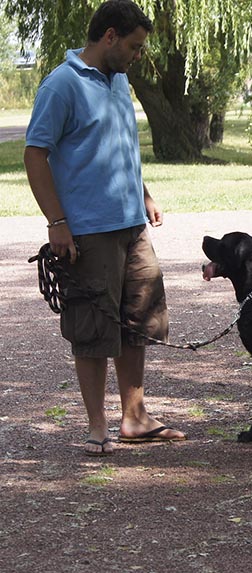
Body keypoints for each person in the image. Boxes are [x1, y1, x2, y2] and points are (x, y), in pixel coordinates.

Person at [24, 0, 186, 457]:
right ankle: (97, 427)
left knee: (139, 320)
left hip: (131, 223)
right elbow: (35, 154)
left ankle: (134, 418)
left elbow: (119, 146)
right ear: (110, 36)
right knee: (93, 326)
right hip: (89, 230)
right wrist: (58, 223)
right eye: (134, 46)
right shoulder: (62, 85)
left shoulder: (120, 80)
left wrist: (145, 193)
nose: (137, 55)